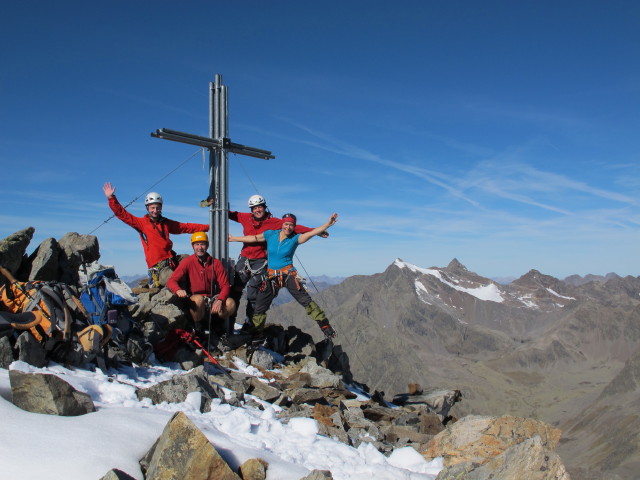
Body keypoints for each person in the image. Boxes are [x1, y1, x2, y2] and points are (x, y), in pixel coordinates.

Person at [229, 212, 338, 339]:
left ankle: (324, 325)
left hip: (288, 274)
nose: (288, 227)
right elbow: (254, 238)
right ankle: (256, 332)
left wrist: (327, 224)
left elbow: (311, 233)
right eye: (286, 224)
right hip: (271, 276)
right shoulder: (271, 234)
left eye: (291, 225)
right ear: (282, 224)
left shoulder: (295, 238)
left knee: (305, 300)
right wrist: (234, 239)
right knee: (260, 305)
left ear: (294, 226)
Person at [103, 182, 209, 287]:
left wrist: (210, 227)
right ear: (147, 208)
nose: (155, 211)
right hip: (158, 266)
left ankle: (201, 287)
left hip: (171, 259)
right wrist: (111, 198)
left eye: (158, 208)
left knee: (189, 259)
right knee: (173, 281)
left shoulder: (165, 223)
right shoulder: (141, 223)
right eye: (152, 208)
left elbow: (186, 227)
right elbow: (123, 214)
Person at [166, 232, 236, 330]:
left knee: (230, 303)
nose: (200, 247)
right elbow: (172, 281)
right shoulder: (188, 262)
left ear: (207, 245)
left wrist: (220, 299)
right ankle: (199, 330)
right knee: (198, 300)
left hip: (211, 298)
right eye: (197, 244)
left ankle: (218, 327)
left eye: (202, 244)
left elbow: (225, 285)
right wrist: (178, 290)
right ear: (193, 246)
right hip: (195, 298)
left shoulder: (215, 263)